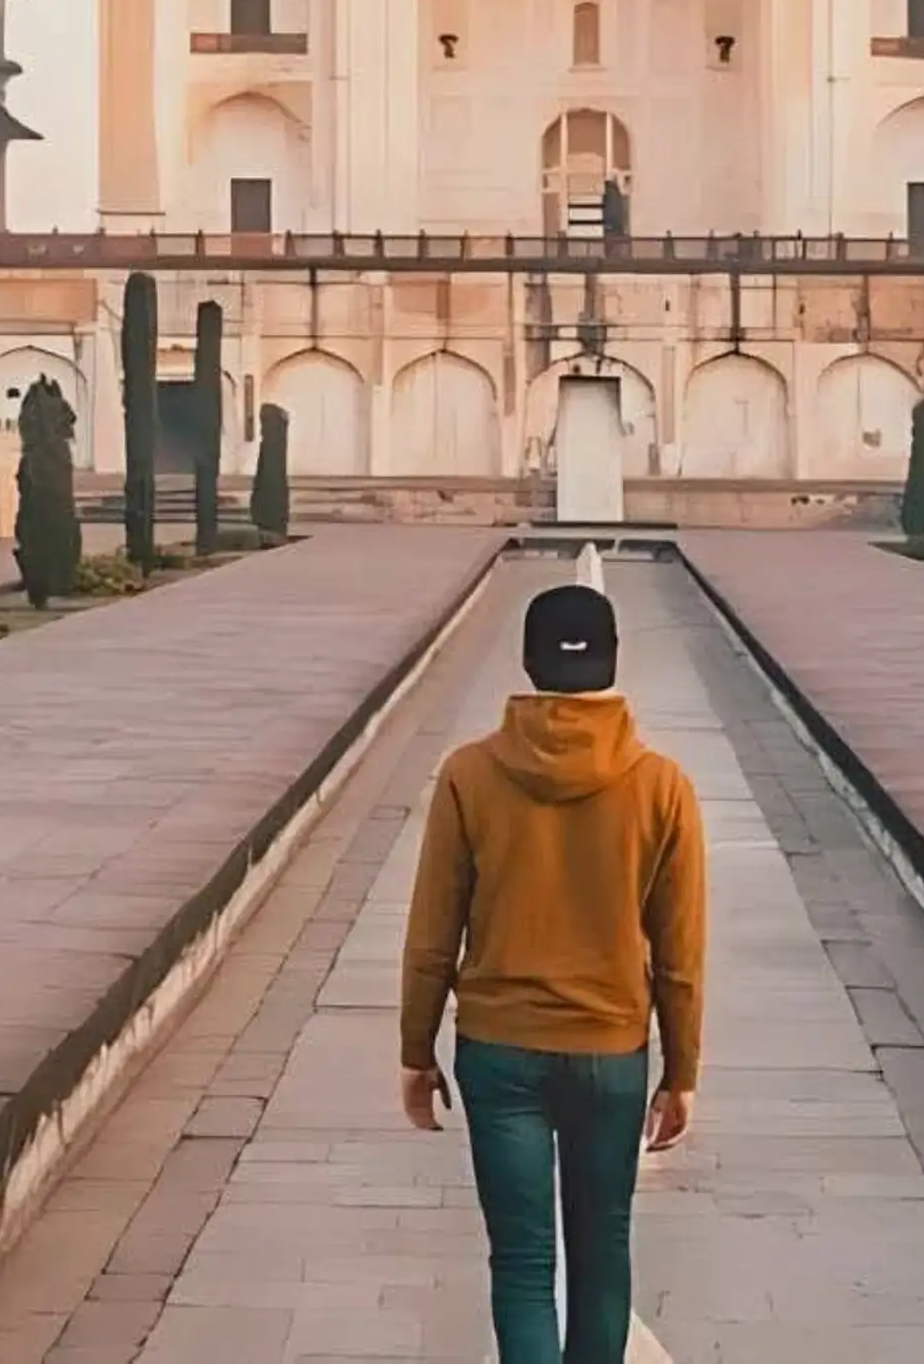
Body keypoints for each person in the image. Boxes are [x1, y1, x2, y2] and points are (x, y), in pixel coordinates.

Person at [399, 575, 707, 1364]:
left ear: (529, 662)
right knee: (602, 1254)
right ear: (613, 659)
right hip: (610, 1050)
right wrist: (681, 1071)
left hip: (499, 1050)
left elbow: (433, 931)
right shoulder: (662, 785)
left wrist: (415, 1050)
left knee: (523, 1262)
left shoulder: (469, 775)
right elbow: (680, 954)